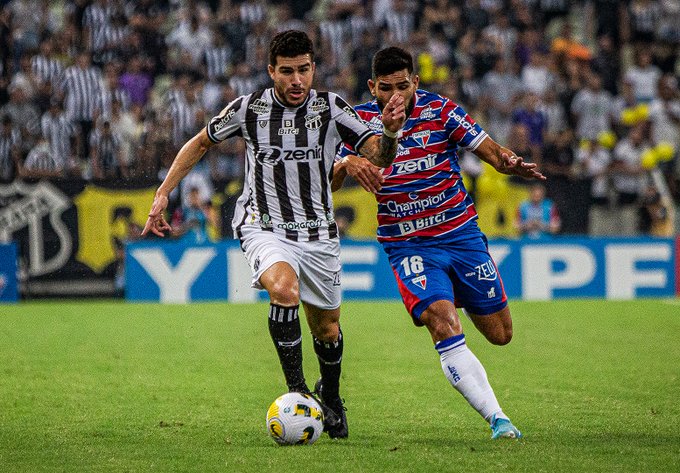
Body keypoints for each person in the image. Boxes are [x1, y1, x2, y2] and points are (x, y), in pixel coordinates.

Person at [141, 30, 406, 439]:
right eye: (287, 72)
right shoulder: (249, 109)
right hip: (263, 225)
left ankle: (330, 397)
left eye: (303, 70)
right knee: (284, 289)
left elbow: (379, 155)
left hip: (318, 232)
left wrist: (389, 132)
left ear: (313, 69)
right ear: (271, 72)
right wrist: (162, 194)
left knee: (328, 330)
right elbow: (199, 143)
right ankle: (298, 392)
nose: (296, 80)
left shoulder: (331, 108)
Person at [333, 46, 545, 439]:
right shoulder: (357, 122)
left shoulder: (442, 111)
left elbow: (492, 153)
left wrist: (510, 162)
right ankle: (499, 420)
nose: (395, 95)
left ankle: (451, 292)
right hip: (409, 245)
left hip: (460, 235)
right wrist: (346, 163)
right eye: (386, 88)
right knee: (443, 324)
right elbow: (329, 181)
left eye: (403, 85)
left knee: (501, 334)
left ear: (415, 81)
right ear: (371, 87)